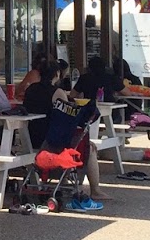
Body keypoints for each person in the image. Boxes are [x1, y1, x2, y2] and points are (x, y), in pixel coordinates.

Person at [41, 76, 106, 206]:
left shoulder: (30, 90)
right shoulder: (58, 93)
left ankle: (62, 180)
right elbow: (67, 118)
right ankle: (96, 190)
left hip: (34, 139)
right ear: (56, 74)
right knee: (89, 148)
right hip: (53, 143)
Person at [22, 62, 59, 153]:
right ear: (57, 74)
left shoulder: (30, 88)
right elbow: (67, 114)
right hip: (49, 137)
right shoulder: (57, 92)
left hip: (31, 135)